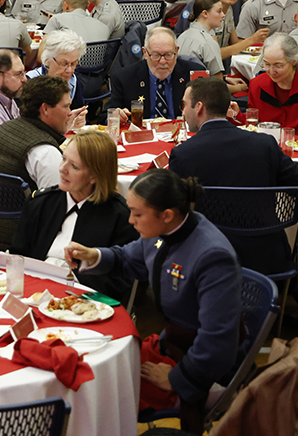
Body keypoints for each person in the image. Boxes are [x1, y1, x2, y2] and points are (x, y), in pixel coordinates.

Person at [65, 169, 242, 434]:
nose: (130, 220)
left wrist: (177, 379)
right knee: (91, 373)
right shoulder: (165, 230)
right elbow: (128, 258)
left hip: (200, 362)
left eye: (137, 214)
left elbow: (219, 339)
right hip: (172, 341)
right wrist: (94, 255)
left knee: (103, 390)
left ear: (167, 215)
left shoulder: (212, 256)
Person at [11, 130, 137, 302]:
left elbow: (119, 283)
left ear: (94, 176)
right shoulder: (40, 203)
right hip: (32, 293)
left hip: (83, 301)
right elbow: (18, 256)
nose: (62, 169)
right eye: (63, 159)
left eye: (74, 166)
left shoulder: (119, 216)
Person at [172, 77, 298, 195]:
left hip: (208, 226)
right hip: (264, 226)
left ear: (199, 107)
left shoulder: (183, 154)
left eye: (185, 104)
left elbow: (173, 209)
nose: (183, 112)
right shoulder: (265, 144)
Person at [0, 75, 84, 191]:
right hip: (27, 208)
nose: (69, 113)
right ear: (45, 109)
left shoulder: (5, 128)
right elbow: (55, 204)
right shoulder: (46, 153)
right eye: (66, 107)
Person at [247, 32, 298, 140]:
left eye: (278, 66)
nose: (271, 71)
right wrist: (235, 115)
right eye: (267, 64)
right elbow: (251, 127)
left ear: (294, 61)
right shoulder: (257, 84)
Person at [107, 27, 191, 123]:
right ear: (145, 53)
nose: (163, 61)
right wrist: (115, 116)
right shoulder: (124, 77)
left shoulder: (193, 74)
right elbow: (105, 116)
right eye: (156, 55)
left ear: (176, 52)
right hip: (142, 135)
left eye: (168, 55)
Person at [176, 0, 246, 93]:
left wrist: (225, 78)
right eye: (219, 11)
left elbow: (192, 74)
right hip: (203, 95)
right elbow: (218, 87)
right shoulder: (208, 42)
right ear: (205, 13)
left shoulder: (182, 36)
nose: (223, 15)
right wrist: (240, 88)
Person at [27, 29, 87, 109]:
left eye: (73, 64)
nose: (69, 70)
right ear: (47, 60)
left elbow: (78, 111)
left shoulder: (73, 81)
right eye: (64, 64)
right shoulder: (30, 84)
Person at [45, 0, 110, 42]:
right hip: (95, 56)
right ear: (88, 4)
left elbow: (43, 49)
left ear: (65, 5)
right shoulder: (104, 28)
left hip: (69, 56)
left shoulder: (56, 20)